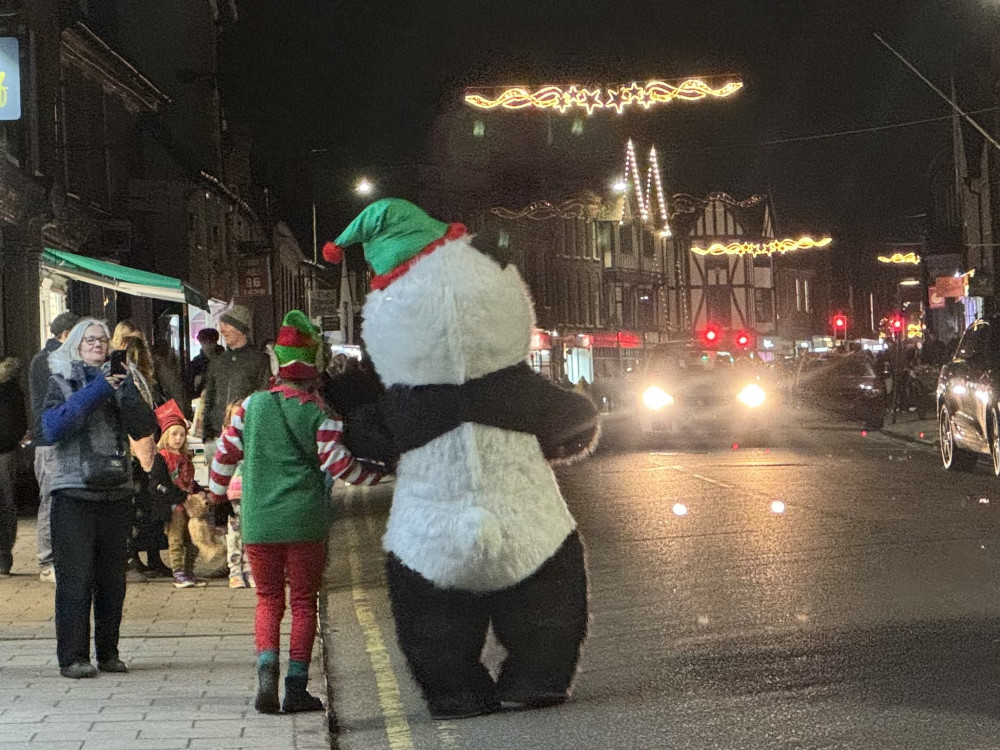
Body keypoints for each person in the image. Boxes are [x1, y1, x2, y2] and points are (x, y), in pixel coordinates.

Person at [208, 310, 381, 714]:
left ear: (278, 364)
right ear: (313, 368)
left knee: (268, 600)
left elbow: (223, 458)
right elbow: (341, 469)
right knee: (304, 601)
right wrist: (381, 472)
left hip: (259, 521)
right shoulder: (321, 415)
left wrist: (217, 499)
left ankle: (266, 671)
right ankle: (296, 687)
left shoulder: (250, 407)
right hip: (305, 521)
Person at [41, 318, 157, 678]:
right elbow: (54, 427)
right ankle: (73, 658)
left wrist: (123, 392)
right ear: (75, 344)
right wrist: (98, 390)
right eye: (90, 340)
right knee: (75, 580)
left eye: (104, 341)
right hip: (73, 492)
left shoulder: (125, 381)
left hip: (116, 491)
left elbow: (143, 427)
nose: (98, 345)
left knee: (112, 580)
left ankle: (108, 653)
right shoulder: (60, 380)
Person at [29, 310, 79, 583]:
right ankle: (47, 561)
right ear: (66, 334)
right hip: (50, 441)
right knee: (50, 500)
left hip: (59, 439)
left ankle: (58, 557)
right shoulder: (47, 361)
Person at [121, 335, 171, 580]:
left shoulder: (143, 382)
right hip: (136, 451)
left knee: (148, 505)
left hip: (145, 448)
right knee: (139, 506)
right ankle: (136, 558)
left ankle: (150, 556)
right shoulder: (133, 382)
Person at [201, 305, 269, 459]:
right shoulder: (217, 362)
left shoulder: (259, 361)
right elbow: (209, 397)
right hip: (218, 434)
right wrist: (207, 434)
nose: (222, 331)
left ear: (240, 328)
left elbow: (264, 399)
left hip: (247, 437)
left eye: (226, 325)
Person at [154, 399, 207, 589]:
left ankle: (189, 570)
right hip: (174, 505)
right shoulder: (161, 458)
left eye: (182, 435)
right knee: (175, 539)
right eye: (174, 434)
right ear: (166, 436)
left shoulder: (186, 458)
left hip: (189, 504)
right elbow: (161, 483)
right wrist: (181, 496)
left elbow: (191, 482)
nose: (178, 438)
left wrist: (199, 492)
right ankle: (178, 572)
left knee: (194, 538)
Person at [0, 354, 27, 577]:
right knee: (6, 504)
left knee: (6, 504)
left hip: (5, 451)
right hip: (6, 451)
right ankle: (3, 557)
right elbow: (19, 422)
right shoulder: (12, 388)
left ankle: (2, 557)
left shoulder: (9, 388)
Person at [221, 400, 253, 589]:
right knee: (234, 533)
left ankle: (249, 569)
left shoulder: (255, 438)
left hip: (252, 492)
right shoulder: (226, 440)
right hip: (233, 493)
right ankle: (235, 570)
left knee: (249, 532)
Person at [187, 327, 223, 399]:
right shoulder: (196, 363)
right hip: (201, 399)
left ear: (216, 342)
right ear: (200, 342)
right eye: (205, 342)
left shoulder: (224, 359)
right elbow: (190, 386)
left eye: (211, 342)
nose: (208, 346)